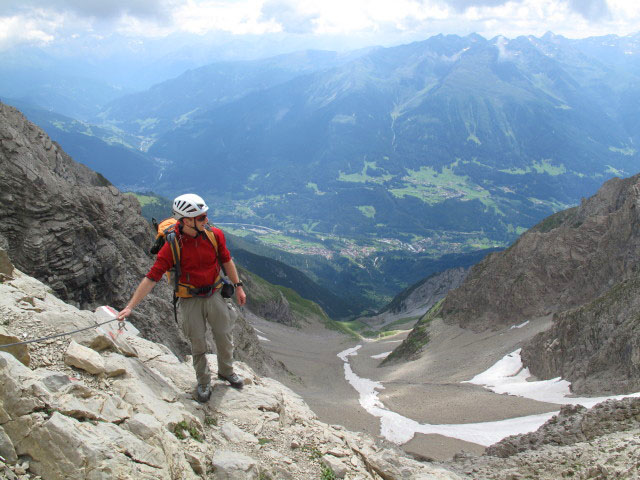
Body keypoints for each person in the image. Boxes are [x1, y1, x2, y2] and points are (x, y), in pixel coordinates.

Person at [117, 193, 247, 402]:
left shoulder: (215, 235)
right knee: (198, 343)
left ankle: (226, 371)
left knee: (224, 335)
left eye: (205, 215)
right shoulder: (172, 246)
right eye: (202, 217)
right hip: (189, 299)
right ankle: (203, 382)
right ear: (187, 220)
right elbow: (152, 277)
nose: (207, 220)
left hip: (215, 293)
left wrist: (239, 287)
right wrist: (130, 306)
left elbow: (226, 260)